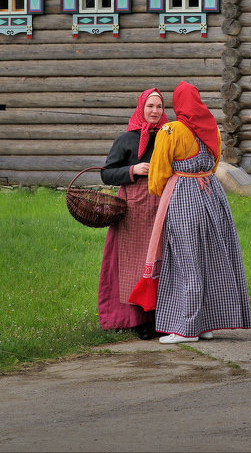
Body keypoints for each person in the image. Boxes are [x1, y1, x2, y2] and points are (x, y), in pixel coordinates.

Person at [146, 80, 251, 344]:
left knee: (186, 259)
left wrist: (162, 192)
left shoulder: (171, 131)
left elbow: (158, 174)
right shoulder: (212, 128)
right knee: (209, 259)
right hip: (212, 195)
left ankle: (186, 328)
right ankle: (205, 324)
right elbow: (215, 162)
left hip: (183, 194)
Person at [97, 88, 169, 339]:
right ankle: (140, 320)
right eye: (150, 106)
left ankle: (163, 316)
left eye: (159, 107)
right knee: (135, 265)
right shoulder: (126, 139)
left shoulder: (168, 136)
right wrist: (134, 169)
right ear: (141, 108)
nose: (154, 111)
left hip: (162, 205)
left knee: (161, 261)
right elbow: (106, 174)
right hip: (133, 209)